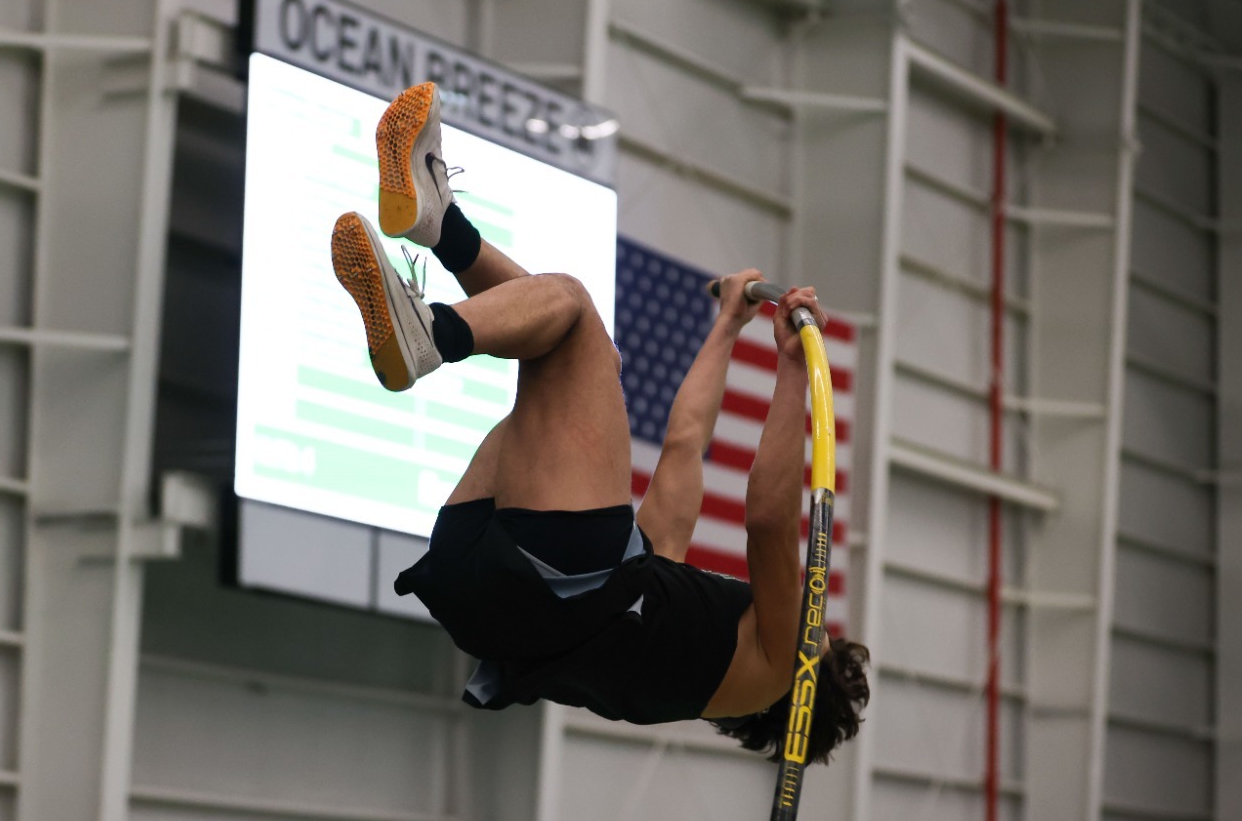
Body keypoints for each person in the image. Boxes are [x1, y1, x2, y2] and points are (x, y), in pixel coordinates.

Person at [341, 84, 871, 751]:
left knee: (571, 310)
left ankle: (434, 330)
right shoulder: (670, 640)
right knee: (572, 357)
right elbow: (684, 444)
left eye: (820, 638)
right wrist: (727, 328)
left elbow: (768, 518)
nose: (813, 626)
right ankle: (438, 227)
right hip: (477, 586)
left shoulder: (777, 664)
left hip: (555, 584)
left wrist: (793, 371)